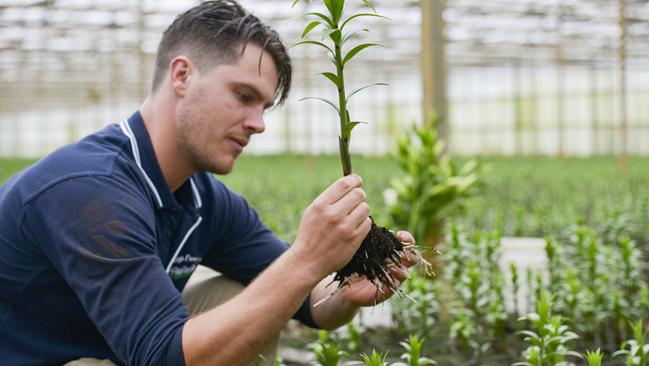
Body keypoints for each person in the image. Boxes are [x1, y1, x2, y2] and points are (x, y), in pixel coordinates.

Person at [0, 1, 417, 365]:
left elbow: (307, 302)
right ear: (181, 75)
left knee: (245, 295)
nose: (258, 124)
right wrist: (307, 258)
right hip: (46, 357)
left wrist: (346, 294)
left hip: (110, 344)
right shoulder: (89, 189)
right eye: (243, 96)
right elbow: (163, 356)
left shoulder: (204, 199)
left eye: (264, 106)